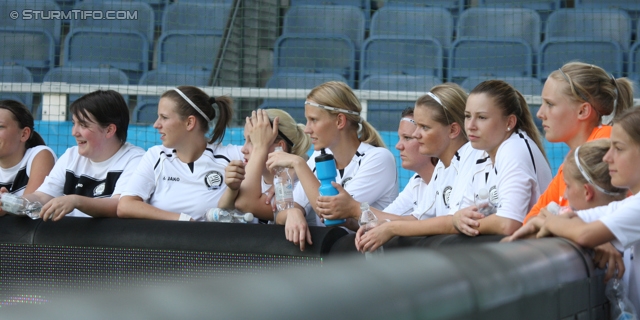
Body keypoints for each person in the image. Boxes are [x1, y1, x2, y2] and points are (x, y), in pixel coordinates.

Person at [504, 107, 640, 313]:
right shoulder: (628, 205)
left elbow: (585, 233)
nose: (608, 157)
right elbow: (569, 219)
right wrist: (599, 237)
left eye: (619, 148)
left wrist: (552, 223)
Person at [265, 81, 398, 250]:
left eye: (313, 120)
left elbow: (331, 212)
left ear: (340, 121)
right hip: (334, 258)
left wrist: (297, 163)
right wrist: (293, 212)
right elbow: (281, 214)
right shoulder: (318, 157)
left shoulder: (379, 158)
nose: (307, 129)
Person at [356, 83, 480, 252]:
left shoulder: (471, 157)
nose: (416, 134)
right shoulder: (442, 168)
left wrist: (391, 228)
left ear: (453, 130)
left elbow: (453, 223)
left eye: (425, 127)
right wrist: (378, 225)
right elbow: (418, 219)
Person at [523, 62, 633, 224]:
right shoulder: (573, 160)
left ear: (583, 111)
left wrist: (549, 220)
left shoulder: (607, 144)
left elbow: (578, 224)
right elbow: (529, 221)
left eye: (550, 104)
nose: (540, 114)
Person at [504, 139, 627, 280]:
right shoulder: (618, 208)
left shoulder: (627, 215)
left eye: (567, 186)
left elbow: (579, 231)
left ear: (587, 192)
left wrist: (593, 239)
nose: (564, 195)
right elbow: (541, 217)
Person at [117, 86, 242, 221]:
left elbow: (264, 160)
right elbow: (125, 206)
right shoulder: (155, 156)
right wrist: (182, 219)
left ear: (189, 122)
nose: (156, 124)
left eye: (164, 117)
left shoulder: (232, 156)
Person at [17, 90, 144, 220]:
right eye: (74, 123)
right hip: (68, 238)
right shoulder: (71, 156)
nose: (74, 132)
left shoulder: (136, 160)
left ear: (109, 130)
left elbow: (118, 206)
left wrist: (76, 201)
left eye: (83, 125)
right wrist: (9, 202)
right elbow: (41, 197)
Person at [451, 80, 552, 236]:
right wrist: (458, 218)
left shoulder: (514, 149)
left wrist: (459, 223)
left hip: (534, 252)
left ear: (509, 122)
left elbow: (508, 224)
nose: (471, 125)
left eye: (482, 117)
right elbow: (465, 214)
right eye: (467, 116)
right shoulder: (481, 152)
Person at [218, 109, 311, 222]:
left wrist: (259, 147)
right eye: (244, 140)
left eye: (253, 141)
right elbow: (222, 213)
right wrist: (232, 189)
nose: (243, 149)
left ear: (280, 148)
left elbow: (244, 203)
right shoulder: (254, 177)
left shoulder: (299, 185)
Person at [0, 100, 56, 198]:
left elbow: (30, 208)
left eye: (0, 126)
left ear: (24, 134)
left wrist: (6, 204)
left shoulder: (40, 155)